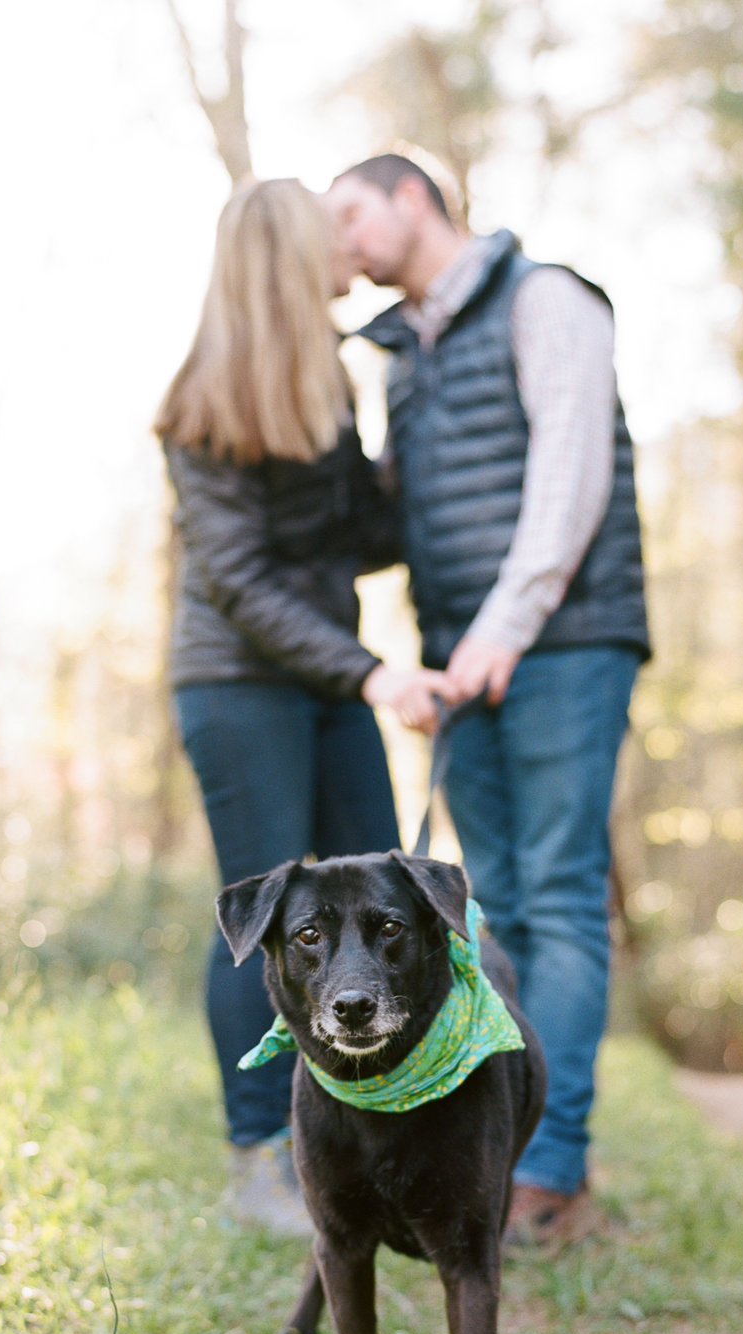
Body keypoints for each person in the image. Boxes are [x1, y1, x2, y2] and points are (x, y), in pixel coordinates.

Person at [325, 154, 649, 1250]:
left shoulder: (545, 298)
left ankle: (546, 1175)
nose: (343, 242)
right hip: (465, 656)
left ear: (412, 197)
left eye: (352, 214)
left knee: (558, 897)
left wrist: (506, 627)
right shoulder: (398, 352)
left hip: (563, 644)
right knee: (491, 904)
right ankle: (501, 1160)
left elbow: (568, 477)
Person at [156, 178, 449, 1238]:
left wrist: (411, 471)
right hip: (236, 684)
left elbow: (344, 543)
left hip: (324, 678)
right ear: (285, 256)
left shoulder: (327, 378)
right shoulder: (200, 401)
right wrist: (371, 670)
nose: (347, 245)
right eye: (327, 234)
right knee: (264, 920)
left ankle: (375, 1128)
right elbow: (238, 582)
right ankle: (258, 1163)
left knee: (369, 898)